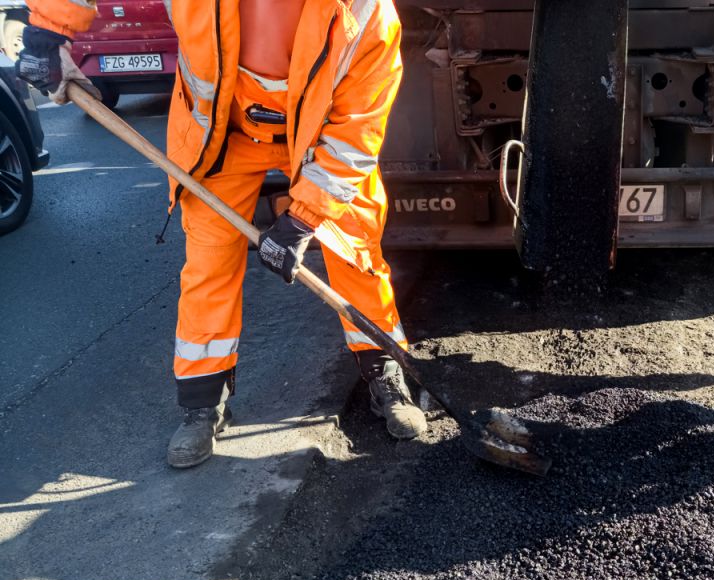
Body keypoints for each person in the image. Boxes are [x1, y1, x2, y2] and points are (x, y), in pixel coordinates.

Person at [18, 0, 425, 468]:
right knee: (209, 262)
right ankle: (201, 403)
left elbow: (357, 132)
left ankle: (385, 371)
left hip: (319, 139)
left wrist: (303, 219)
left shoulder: (368, 14)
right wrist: (49, 31)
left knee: (355, 249)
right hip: (222, 137)